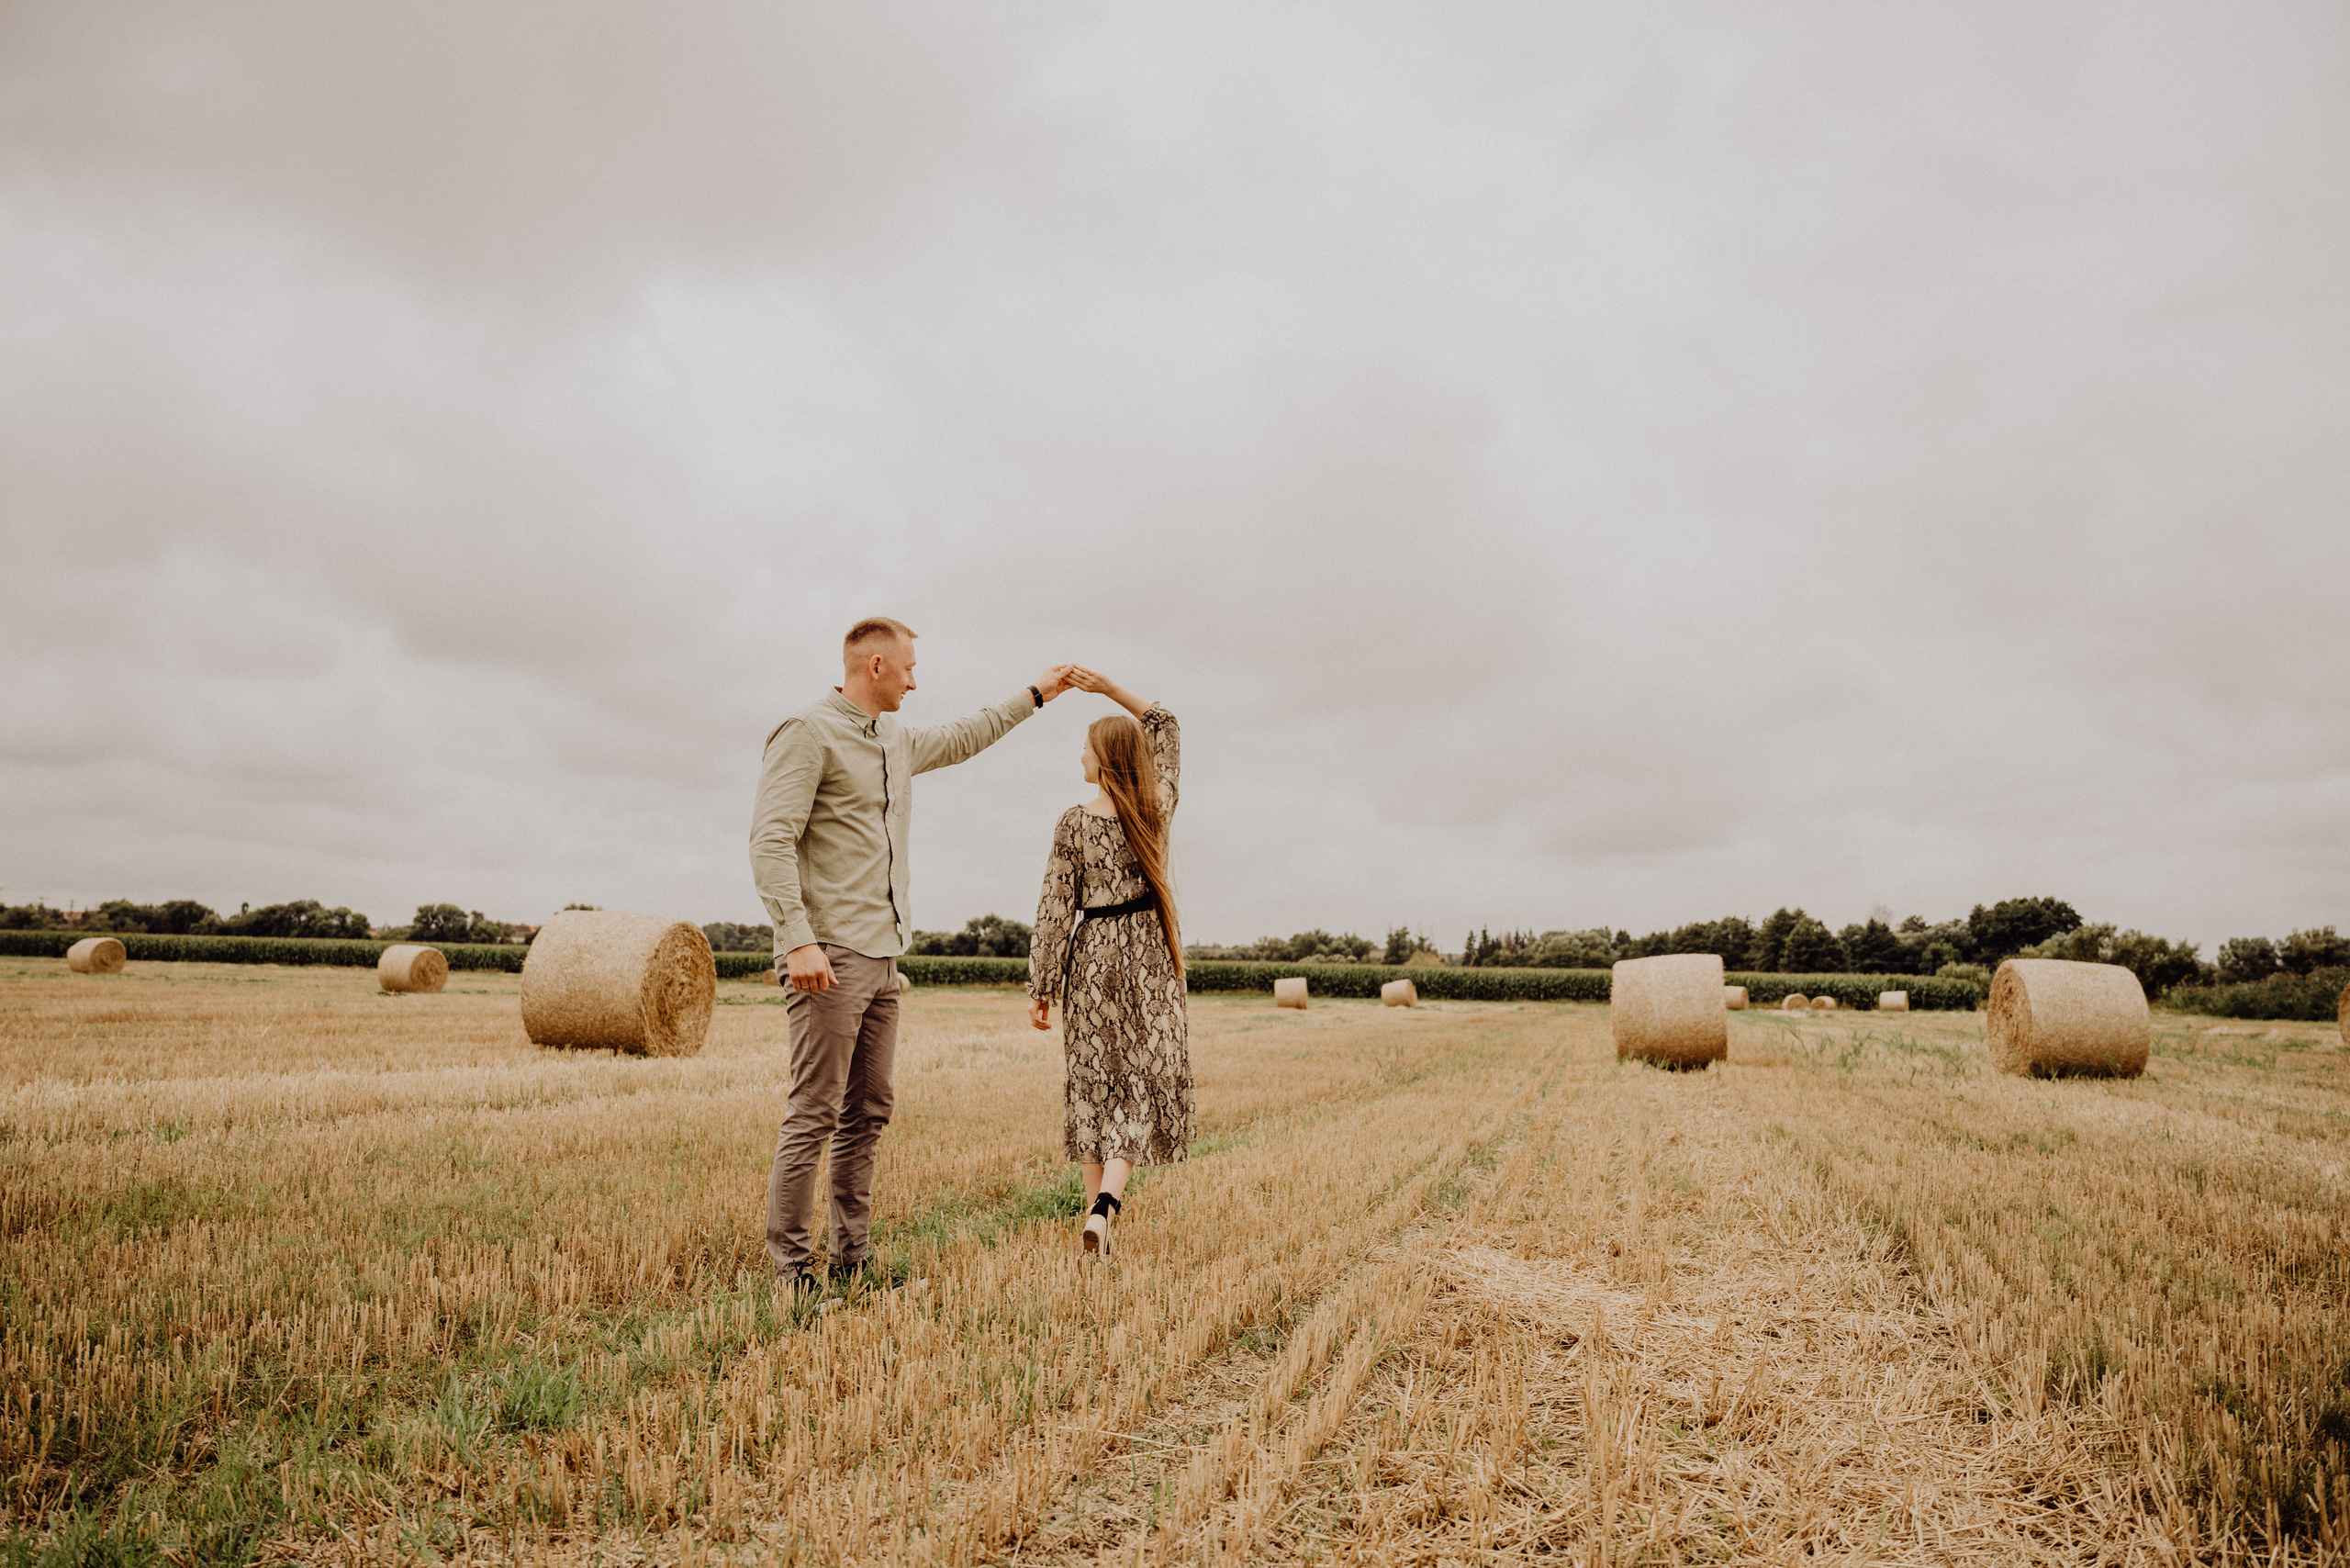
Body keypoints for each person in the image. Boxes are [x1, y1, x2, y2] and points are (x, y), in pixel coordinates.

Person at [752, 616, 1075, 1295]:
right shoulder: (807, 733)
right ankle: (792, 1276)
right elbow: (771, 841)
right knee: (814, 1111)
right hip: (828, 952)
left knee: (868, 1112)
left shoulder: (894, 740)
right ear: (875, 667)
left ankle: (852, 1262)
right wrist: (797, 937)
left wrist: (1035, 695)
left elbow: (964, 737)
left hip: (884, 954)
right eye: (908, 669)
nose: (914, 681)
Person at [1027, 667, 1192, 1259]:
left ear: (1104, 759)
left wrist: (1041, 984)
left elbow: (1053, 909)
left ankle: (1098, 1210)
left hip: (1092, 957)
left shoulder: (1073, 822)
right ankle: (1102, 1211)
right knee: (1140, 1082)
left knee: (1094, 1081)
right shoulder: (1156, 808)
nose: (1080, 758)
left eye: (1087, 749)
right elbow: (1166, 725)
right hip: (1147, 955)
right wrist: (1110, 689)